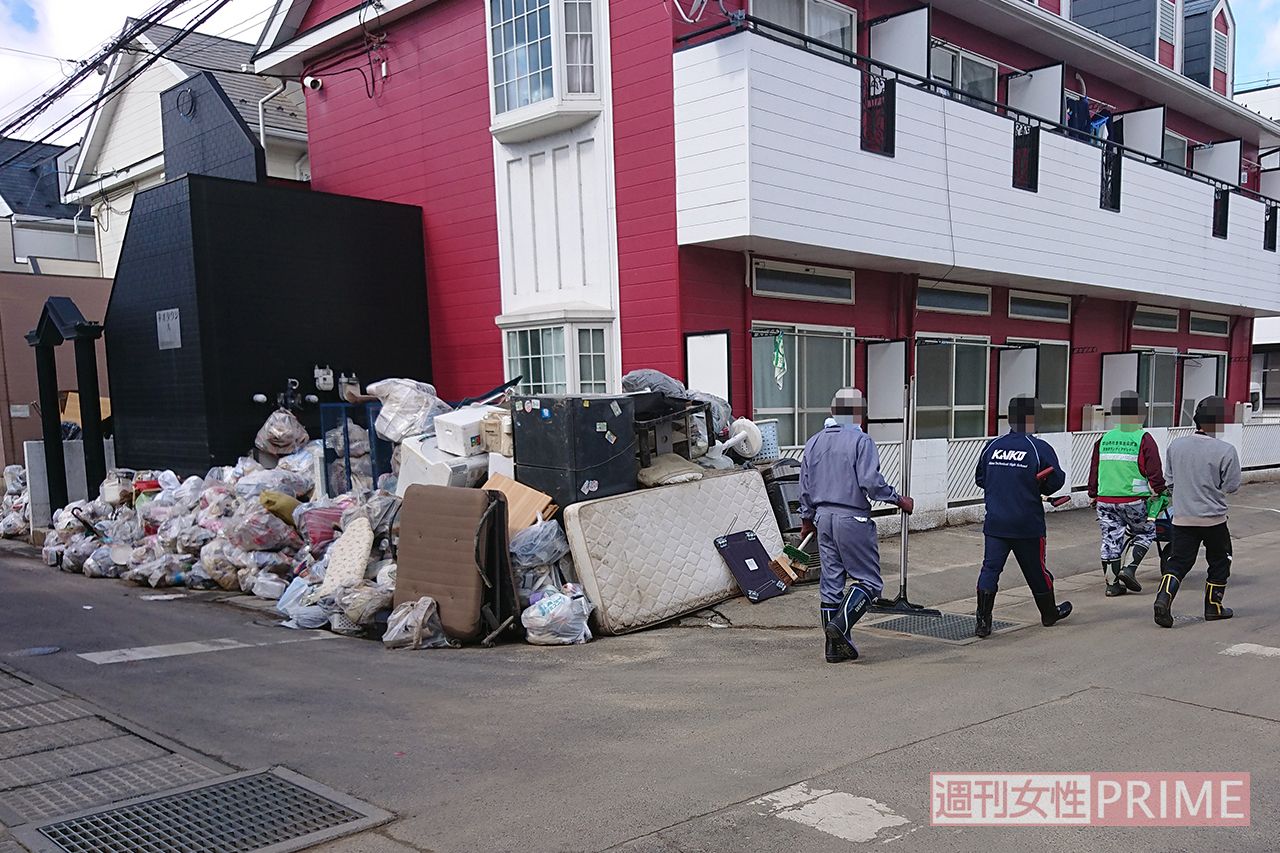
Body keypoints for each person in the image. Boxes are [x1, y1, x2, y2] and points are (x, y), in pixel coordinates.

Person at [799, 388, 914, 664]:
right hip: (852, 518)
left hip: (823, 519)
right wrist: (898, 499)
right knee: (869, 582)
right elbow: (871, 483)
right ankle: (840, 626)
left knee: (831, 583)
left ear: (832, 411)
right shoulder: (861, 441)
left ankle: (834, 648)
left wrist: (806, 519)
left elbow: (804, 486)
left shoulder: (814, 442)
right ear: (859, 413)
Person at [972, 396, 1072, 637]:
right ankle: (1049, 613)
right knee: (1036, 571)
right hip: (1027, 524)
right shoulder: (1038, 448)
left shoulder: (992, 446)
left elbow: (981, 479)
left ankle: (983, 622)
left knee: (990, 569)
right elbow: (1055, 483)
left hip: (996, 522)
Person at [1154, 396, 1241, 628]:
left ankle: (1163, 598)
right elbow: (1232, 486)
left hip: (1182, 517)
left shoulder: (1176, 446)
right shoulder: (1226, 450)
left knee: (1178, 562)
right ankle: (1213, 606)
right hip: (1213, 519)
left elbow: (1170, 481)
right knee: (1220, 560)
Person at [1087, 391, 1167, 596]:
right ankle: (1129, 569)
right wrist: (1160, 490)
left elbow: (1095, 468)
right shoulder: (1143, 438)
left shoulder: (1104, 439)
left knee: (1111, 540)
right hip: (1133, 499)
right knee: (1146, 532)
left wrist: (1093, 493)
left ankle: (1112, 586)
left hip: (1105, 499)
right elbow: (1154, 471)